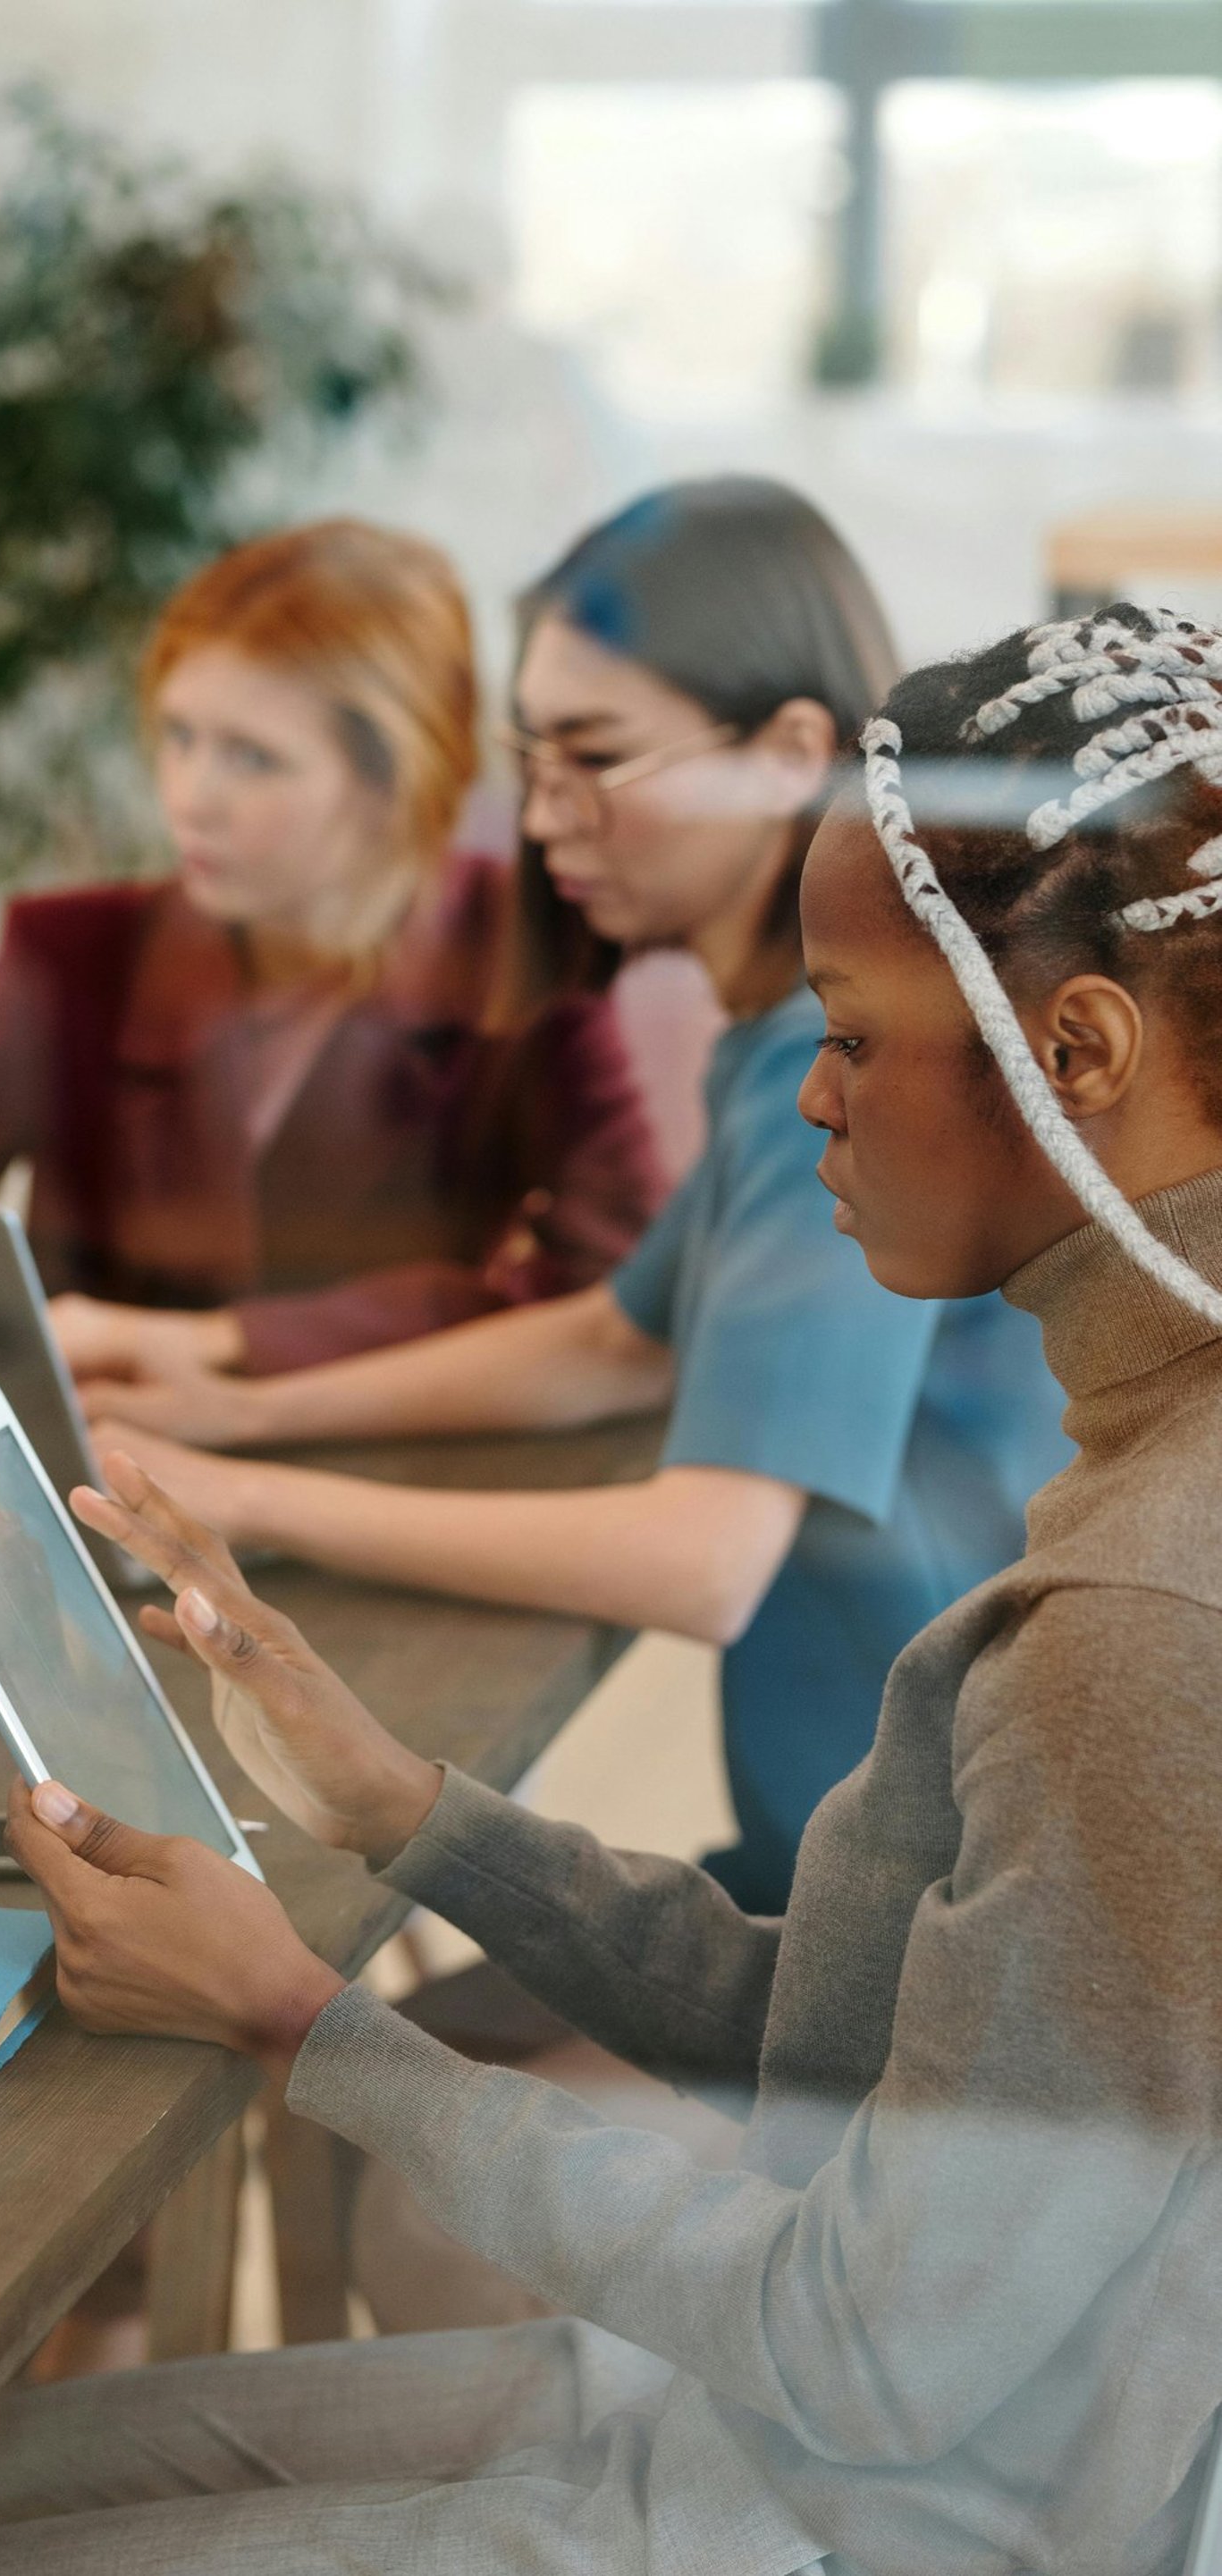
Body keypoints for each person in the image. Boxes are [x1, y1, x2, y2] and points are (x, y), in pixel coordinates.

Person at [0, 601, 1222, 2576]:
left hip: (894, 2513)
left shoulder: (1136, 1624)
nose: (810, 1100)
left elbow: (860, 2350)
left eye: (851, 1037)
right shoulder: (1141, 1462)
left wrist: (304, 2021)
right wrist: (404, 1812)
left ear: (1079, 1050)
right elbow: (901, 2048)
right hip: (835, 2441)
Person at [85, 480, 1069, 1911]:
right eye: (530, 761)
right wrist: (237, 1398)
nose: (542, 818)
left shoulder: (850, 1056)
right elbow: (622, 1336)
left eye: (594, 758)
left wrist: (251, 1501)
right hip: (869, 1872)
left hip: (932, 1928)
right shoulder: (782, 1034)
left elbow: (702, 1558)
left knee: (328, 2033)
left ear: (788, 753)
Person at [0, 519, 659, 1378]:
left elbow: (620, 1291)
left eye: (252, 758)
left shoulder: (523, 951)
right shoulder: (73, 954)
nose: (189, 798)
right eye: (179, 737)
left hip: (378, 1480)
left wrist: (216, 1345)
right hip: (91, 1474)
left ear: (395, 783)